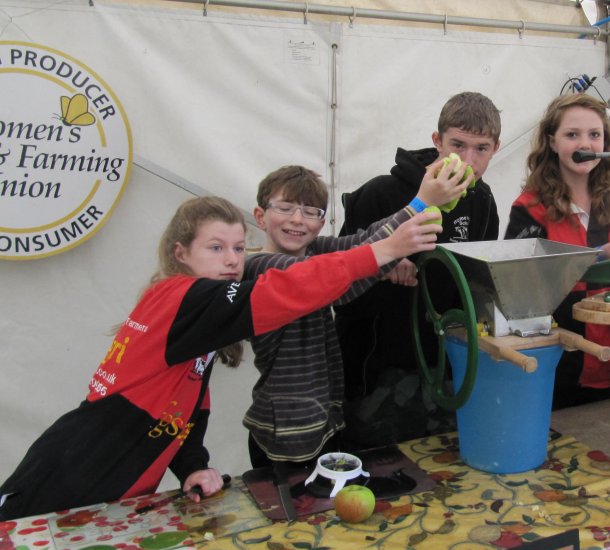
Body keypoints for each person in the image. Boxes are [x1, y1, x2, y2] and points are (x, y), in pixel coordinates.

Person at [0, 186, 451, 521]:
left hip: (116, 483)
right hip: (73, 475)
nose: (232, 260)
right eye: (215, 248)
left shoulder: (197, 313)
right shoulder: (186, 297)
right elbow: (290, 288)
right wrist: (389, 248)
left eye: (238, 248)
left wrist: (193, 465)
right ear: (181, 253)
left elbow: (188, 403)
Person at [242, 163, 468, 468]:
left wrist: (416, 204)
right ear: (260, 216)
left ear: (322, 223)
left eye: (311, 212)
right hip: (287, 433)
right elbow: (339, 280)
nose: (297, 219)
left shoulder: (312, 251)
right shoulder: (262, 269)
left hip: (323, 422)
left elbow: (361, 243)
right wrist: (417, 209)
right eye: (285, 208)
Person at [334, 91, 501, 447]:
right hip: (375, 379)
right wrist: (384, 262)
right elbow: (338, 288)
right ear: (437, 141)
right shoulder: (379, 194)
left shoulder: (484, 203)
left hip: (446, 371)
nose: (468, 160)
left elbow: (477, 289)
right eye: (458, 144)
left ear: (496, 149)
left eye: (481, 148)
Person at [505, 93, 610, 410]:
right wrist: (598, 256)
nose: (586, 144)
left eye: (595, 135)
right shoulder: (530, 210)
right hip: (556, 366)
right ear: (552, 142)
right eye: (572, 134)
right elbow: (521, 289)